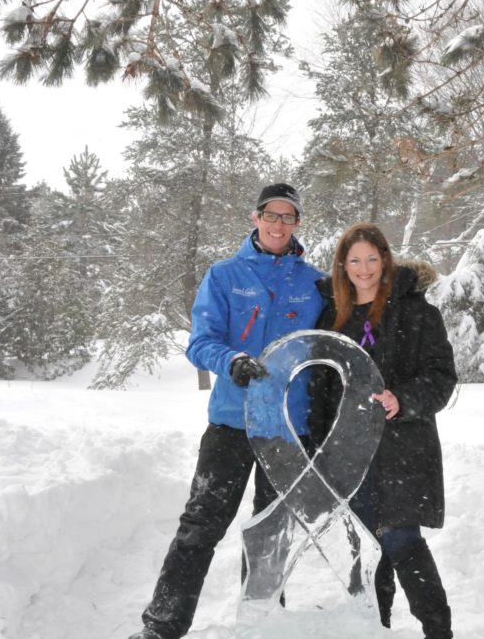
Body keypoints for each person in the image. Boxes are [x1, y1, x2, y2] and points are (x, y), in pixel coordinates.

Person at [129, 183, 325, 639]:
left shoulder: (314, 282)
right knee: (199, 528)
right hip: (231, 424)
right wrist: (231, 360)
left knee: (271, 534)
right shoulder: (224, 275)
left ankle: (264, 625)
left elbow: (331, 346)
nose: (279, 224)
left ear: (297, 224)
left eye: (288, 216)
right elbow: (200, 343)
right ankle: (161, 627)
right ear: (255, 218)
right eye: (271, 215)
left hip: (287, 429)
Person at [309, 223, 457, 639]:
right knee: (365, 547)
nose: (364, 268)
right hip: (351, 449)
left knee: (401, 538)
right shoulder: (331, 314)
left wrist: (403, 399)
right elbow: (321, 388)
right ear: (343, 264)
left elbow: (441, 377)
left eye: (372, 259)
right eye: (354, 260)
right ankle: (376, 628)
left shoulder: (417, 311)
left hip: (403, 447)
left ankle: (438, 630)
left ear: (386, 260)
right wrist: (322, 447)